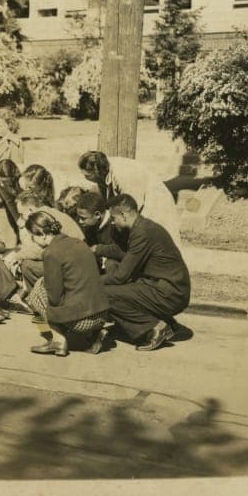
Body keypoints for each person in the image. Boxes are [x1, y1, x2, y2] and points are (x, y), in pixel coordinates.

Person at [102, 194, 191, 352]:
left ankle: (154, 327)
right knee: (116, 276)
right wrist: (96, 249)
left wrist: (91, 281)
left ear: (123, 214)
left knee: (105, 293)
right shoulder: (143, 227)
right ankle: (166, 322)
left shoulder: (141, 232)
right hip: (170, 288)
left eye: (113, 217)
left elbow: (120, 276)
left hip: (170, 293)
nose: (112, 222)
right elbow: (123, 253)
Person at [24, 211, 111, 357]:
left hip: (82, 321)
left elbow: (54, 297)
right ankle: (94, 334)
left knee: (38, 290)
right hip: (102, 314)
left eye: (32, 237)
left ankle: (58, 340)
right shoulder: (79, 243)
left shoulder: (51, 253)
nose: (33, 241)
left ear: (42, 234)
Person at [77, 150, 182, 246]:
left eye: (87, 176)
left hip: (155, 203)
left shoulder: (124, 174)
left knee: (158, 241)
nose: (85, 178)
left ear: (96, 172)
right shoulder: (103, 173)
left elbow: (131, 206)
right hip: (140, 202)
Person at [10, 188, 85, 295]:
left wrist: (16, 257)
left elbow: (40, 251)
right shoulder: (50, 211)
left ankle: (42, 299)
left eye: (21, 214)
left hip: (73, 267)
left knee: (27, 266)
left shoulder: (41, 217)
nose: (20, 218)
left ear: (31, 210)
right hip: (79, 260)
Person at [73, 190, 126, 273]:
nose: (80, 221)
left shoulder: (116, 224)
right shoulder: (90, 224)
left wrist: (98, 249)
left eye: (83, 218)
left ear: (97, 215)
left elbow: (122, 251)